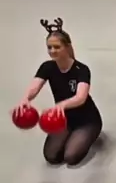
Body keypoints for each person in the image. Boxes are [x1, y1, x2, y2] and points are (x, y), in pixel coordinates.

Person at [14, 18, 102, 166]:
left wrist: (61, 105)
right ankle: (70, 134)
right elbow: (35, 86)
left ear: (67, 47)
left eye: (57, 47)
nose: (52, 51)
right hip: (63, 119)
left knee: (70, 157)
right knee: (51, 156)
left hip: (87, 121)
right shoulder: (47, 67)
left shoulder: (81, 69)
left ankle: (90, 134)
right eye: (49, 47)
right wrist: (25, 99)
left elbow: (80, 97)